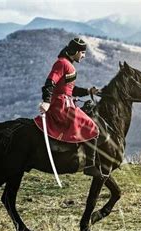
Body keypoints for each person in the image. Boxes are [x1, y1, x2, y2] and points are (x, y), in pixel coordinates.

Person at [33, 37, 101, 176]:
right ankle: (89, 166)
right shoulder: (61, 64)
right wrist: (46, 101)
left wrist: (88, 91)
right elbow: (49, 83)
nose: (84, 55)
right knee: (92, 127)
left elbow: (70, 90)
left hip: (65, 102)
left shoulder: (67, 64)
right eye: (82, 52)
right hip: (61, 106)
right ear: (76, 51)